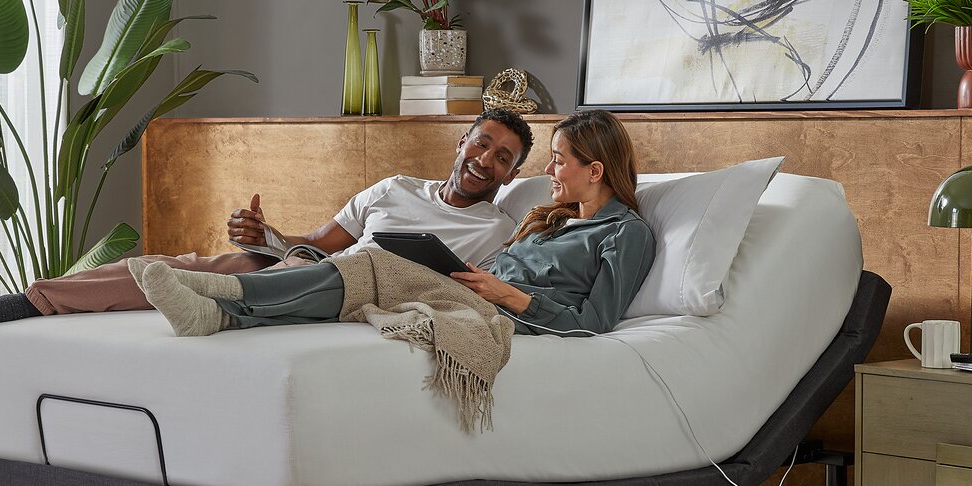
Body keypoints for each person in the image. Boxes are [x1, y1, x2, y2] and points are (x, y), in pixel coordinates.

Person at [0, 108, 535, 331]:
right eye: (481, 143)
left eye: (503, 158)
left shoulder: (498, 229)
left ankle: (213, 306)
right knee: (177, 265)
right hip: (312, 266)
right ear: (461, 142)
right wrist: (267, 236)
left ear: (511, 174)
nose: (486, 160)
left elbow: (472, 289)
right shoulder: (395, 188)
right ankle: (30, 302)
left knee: (216, 279)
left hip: (360, 290)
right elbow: (318, 242)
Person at [133, 109, 655, 338]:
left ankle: (218, 295)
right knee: (367, 275)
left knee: (373, 265)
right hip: (469, 290)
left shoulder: (625, 234)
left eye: (558, 161)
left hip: (499, 311)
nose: (550, 172)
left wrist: (511, 297)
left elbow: (594, 322)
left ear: (594, 171)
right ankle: (219, 315)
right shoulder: (550, 220)